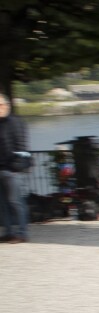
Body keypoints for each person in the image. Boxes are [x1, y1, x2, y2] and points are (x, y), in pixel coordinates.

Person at [0, 96, 30, 243]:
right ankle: (8, 231)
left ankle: (22, 232)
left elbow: (22, 146)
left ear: (6, 105)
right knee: (3, 203)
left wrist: (16, 167)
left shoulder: (15, 122)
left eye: (0, 105)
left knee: (15, 201)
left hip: (12, 170)